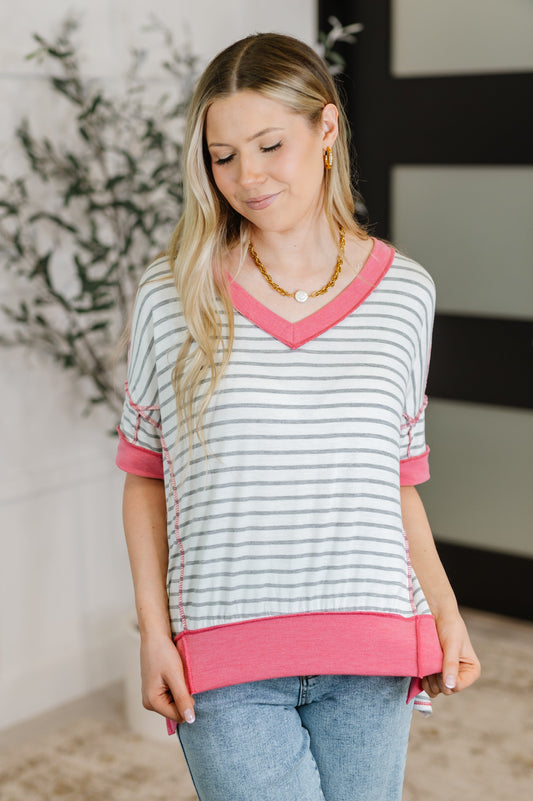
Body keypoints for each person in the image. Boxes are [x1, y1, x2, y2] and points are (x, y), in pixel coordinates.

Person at [116, 32, 480, 801]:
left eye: (269, 145)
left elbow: (396, 482)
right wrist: (153, 634)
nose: (246, 176)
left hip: (370, 649)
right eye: (222, 156)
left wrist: (444, 613)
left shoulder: (405, 293)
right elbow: (146, 478)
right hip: (224, 658)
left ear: (325, 129)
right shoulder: (172, 293)